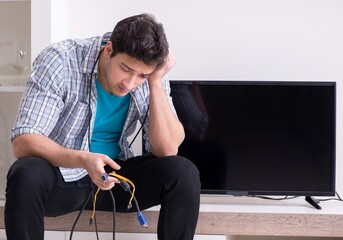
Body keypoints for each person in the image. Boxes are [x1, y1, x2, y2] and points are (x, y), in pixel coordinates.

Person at [4, 13, 201, 240]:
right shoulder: (60, 60)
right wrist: (83, 159)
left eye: (141, 75)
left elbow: (167, 150)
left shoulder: (151, 74)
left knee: (183, 172)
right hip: (63, 177)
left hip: (116, 180)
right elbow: (24, 141)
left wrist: (155, 81)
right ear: (109, 49)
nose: (130, 83)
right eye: (126, 69)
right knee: (25, 173)